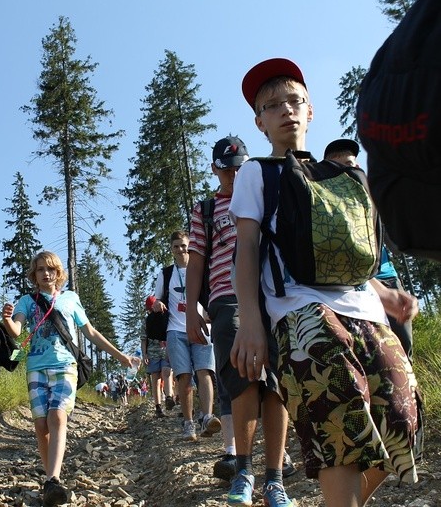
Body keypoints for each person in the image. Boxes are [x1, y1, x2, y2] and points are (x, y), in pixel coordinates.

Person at [231, 58, 420, 507]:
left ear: (310, 110)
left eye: (295, 101)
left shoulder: (340, 177)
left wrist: (385, 293)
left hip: (365, 310)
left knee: (402, 422)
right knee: (340, 422)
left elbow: (347, 251)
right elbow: (248, 248)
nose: (286, 110)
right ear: (259, 122)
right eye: (272, 105)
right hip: (300, 312)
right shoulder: (257, 173)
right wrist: (251, 321)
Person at [186, 136, 295, 496]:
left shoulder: (265, 197)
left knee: (277, 380)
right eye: (226, 169)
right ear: (215, 169)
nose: (233, 175)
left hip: (272, 297)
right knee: (242, 375)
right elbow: (197, 261)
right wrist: (190, 312)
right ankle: (244, 471)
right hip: (225, 299)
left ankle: (275, 476)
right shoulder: (205, 211)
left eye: (239, 168)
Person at [1, 250, 138, 507]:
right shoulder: (26, 302)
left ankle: (53, 478)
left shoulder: (70, 299)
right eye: (40, 269)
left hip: (66, 365)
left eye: (50, 269)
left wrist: (121, 357)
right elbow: (17, 331)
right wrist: (8, 319)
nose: (45, 273)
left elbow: (91, 332)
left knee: (57, 416)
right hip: (36, 368)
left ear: (58, 273)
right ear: (34, 274)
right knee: (41, 426)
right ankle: (51, 480)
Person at [323, 138, 418, 361]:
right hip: (352, 287)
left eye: (353, 163)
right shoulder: (325, 206)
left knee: (403, 344)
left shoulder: (375, 197)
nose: (352, 168)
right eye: (344, 165)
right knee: (369, 351)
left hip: (387, 278)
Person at [151, 231, 221, 441]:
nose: (181, 250)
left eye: (184, 246)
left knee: (205, 371)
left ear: (190, 247)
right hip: (175, 330)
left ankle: (207, 417)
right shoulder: (166, 273)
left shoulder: (202, 269)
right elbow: (155, 298)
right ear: (171, 250)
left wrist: (210, 312)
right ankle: (188, 423)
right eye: (176, 247)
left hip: (201, 328)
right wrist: (156, 304)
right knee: (184, 376)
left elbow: (212, 292)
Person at [142, 295, 175, 418]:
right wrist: (144, 354)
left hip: (158, 351)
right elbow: (144, 339)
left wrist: (145, 353)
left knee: (161, 376)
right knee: (163, 376)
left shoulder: (159, 318)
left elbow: (143, 340)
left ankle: (166, 400)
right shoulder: (159, 318)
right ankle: (164, 401)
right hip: (158, 351)